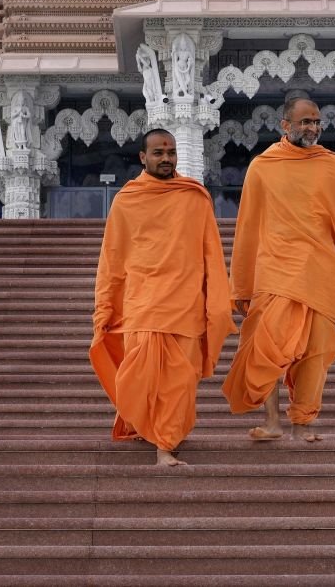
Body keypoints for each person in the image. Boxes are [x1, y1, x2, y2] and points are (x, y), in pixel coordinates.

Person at [222, 92, 335, 442]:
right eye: (305, 121)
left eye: (316, 121)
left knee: (316, 352)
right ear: (285, 125)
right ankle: (272, 421)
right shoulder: (263, 167)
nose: (313, 127)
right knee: (264, 348)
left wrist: (328, 256)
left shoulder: (334, 165)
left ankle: (302, 423)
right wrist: (241, 285)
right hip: (275, 271)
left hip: (319, 271)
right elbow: (248, 225)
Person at [90, 129, 233, 467]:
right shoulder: (127, 200)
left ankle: (165, 446)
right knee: (139, 377)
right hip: (142, 302)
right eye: (158, 152)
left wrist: (217, 301)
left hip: (184, 304)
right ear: (143, 157)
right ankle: (147, 425)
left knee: (178, 381)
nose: (166, 158)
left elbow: (211, 253)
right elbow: (112, 259)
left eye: (170, 152)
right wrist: (104, 307)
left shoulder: (194, 197)